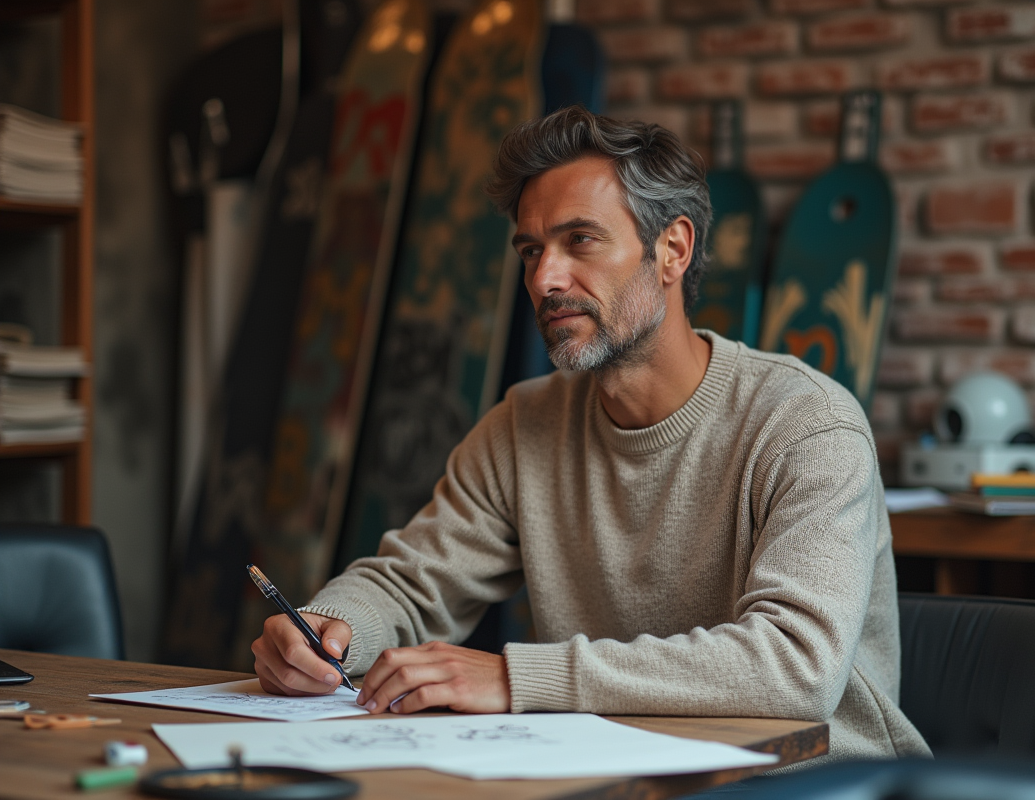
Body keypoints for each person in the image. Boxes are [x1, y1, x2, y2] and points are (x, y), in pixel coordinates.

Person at [252, 106, 930, 761]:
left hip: (819, 782)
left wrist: (519, 682)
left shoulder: (807, 424)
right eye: (530, 250)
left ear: (672, 250)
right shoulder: (524, 426)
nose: (544, 278)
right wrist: (329, 629)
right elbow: (412, 585)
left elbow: (795, 666)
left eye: (580, 240)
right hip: (624, 774)